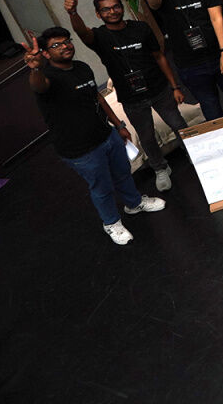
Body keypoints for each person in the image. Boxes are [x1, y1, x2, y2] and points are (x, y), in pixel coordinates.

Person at [24, 28, 167, 245]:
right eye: (56, 45)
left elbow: (98, 98)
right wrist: (35, 68)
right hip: (80, 148)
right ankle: (111, 223)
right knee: (101, 187)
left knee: (123, 173)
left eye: (67, 41)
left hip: (106, 135)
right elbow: (39, 86)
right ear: (45, 53)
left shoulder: (82, 68)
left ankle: (134, 203)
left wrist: (118, 125)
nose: (65, 46)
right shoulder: (47, 77)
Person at [66, 0, 187, 192]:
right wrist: (73, 13)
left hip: (159, 89)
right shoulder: (100, 37)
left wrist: (175, 86)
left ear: (121, 8)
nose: (112, 11)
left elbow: (159, 57)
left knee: (178, 123)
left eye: (116, 7)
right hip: (132, 99)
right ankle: (160, 168)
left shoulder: (141, 28)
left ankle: (195, 153)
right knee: (146, 136)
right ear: (98, 14)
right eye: (106, 9)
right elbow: (82, 33)